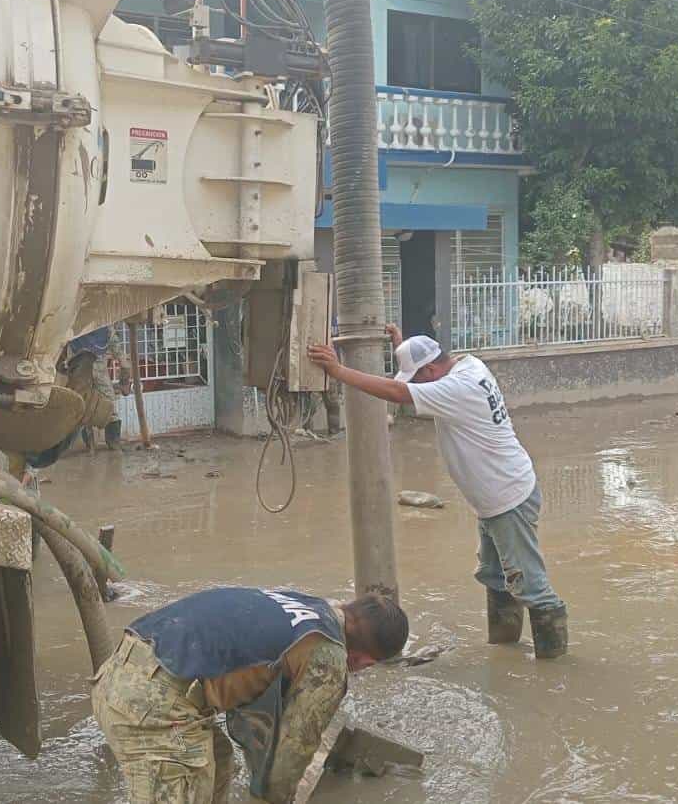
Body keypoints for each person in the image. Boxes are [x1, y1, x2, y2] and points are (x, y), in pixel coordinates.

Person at [307, 325, 567, 658]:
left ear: (431, 370)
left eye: (417, 377)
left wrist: (338, 371)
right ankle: (505, 653)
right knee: (497, 578)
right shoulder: (468, 366)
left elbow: (397, 394)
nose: (415, 386)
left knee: (531, 586)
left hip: (508, 499)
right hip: (497, 497)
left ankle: (554, 670)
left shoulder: (459, 387)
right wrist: (403, 347)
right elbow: (407, 383)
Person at [92, 587, 408, 804]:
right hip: (153, 707)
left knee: (218, 760)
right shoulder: (328, 655)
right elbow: (295, 748)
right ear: (366, 661)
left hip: (121, 671)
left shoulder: (305, 605)